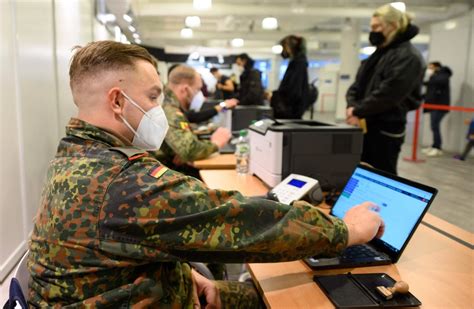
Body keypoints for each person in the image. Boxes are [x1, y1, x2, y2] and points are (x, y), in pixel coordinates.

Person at [28, 40, 384, 308]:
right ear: (118, 101)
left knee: (256, 292)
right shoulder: (122, 182)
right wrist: (347, 230)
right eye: (152, 97)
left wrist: (191, 278)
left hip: (140, 290)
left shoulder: (75, 156)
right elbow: (243, 223)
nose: (158, 108)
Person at [346, 4, 425, 175]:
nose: (373, 31)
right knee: (362, 172)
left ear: (393, 26)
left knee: (382, 176)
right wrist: (352, 107)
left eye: (377, 27)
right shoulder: (378, 54)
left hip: (385, 131)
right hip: (365, 125)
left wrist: (357, 110)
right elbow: (356, 85)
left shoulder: (408, 56)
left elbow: (389, 94)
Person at [156, 65, 232, 172]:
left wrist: (180, 151)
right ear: (185, 89)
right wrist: (216, 143)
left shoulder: (165, 102)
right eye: (197, 89)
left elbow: (184, 149)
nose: (198, 94)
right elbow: (190, 150)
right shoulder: (170, 110)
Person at [271, 35, 310, 119]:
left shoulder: (298, 64)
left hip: (290, 111)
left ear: (289, 47)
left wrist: (277, 97)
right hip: (291, 109)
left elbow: (294, 90)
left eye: (284, 47)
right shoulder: (297, 63)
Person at [421, 61, 452, 157]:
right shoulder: (435, 77)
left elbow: (438, 82)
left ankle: (437, 148)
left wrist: (431, 76)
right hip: (434, 105)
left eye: (431, 67)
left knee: (435, 126)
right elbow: (430, 88)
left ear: (437, 67)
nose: (429, 70)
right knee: (433, 126)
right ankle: (435, 145)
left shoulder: (444, 75)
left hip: (440, 106)